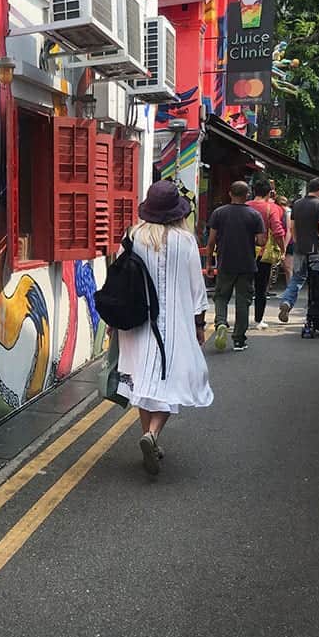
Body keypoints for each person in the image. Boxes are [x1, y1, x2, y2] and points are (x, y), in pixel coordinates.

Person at [114, 180, 214, 476]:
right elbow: (198, 289)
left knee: (145, 381)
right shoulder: (185, 242)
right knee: (173, 381)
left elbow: (117, 280)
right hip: (173, 325)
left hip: (135, 323)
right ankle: (153, 434)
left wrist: (112, 322)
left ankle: (150, 439)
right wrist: (199, 324)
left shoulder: (132, 236)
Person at [206, 181, 266, 351]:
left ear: (230, 193)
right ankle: (239, 339)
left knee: (221, 296)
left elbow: (211, 242)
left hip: (225, 262)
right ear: (247, 195)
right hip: (247, 264)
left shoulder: (219, 213)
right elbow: (261, 241)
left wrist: (210, 263)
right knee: (243, 301)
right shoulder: (254, 215)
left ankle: (221, 323)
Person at [278, 178, 319, 323]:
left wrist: (297, 241)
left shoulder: (297, 204)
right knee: (317, 281)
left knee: (297, 278)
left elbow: (292, 227)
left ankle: (287, 301)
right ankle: (314, 313)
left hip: (300, 248)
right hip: (316, 250)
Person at [248, 180, 286, 330]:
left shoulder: (245, 205)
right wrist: (282, 249)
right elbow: (277, 231)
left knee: (243, 286)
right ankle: (259, 319)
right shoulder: (273, 208)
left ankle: (241, 318)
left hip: (244, 251)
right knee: (261, 287)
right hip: (263, 253)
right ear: (269, 193)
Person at [277, 195, 294, 285]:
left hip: (289, 242)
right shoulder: (284, 212)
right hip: (284, 241)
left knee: (288, 267)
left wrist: (285, 247)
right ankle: (289, 289)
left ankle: (290, 289)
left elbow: (289, 231)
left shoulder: (288, 213)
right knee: (286, 267)